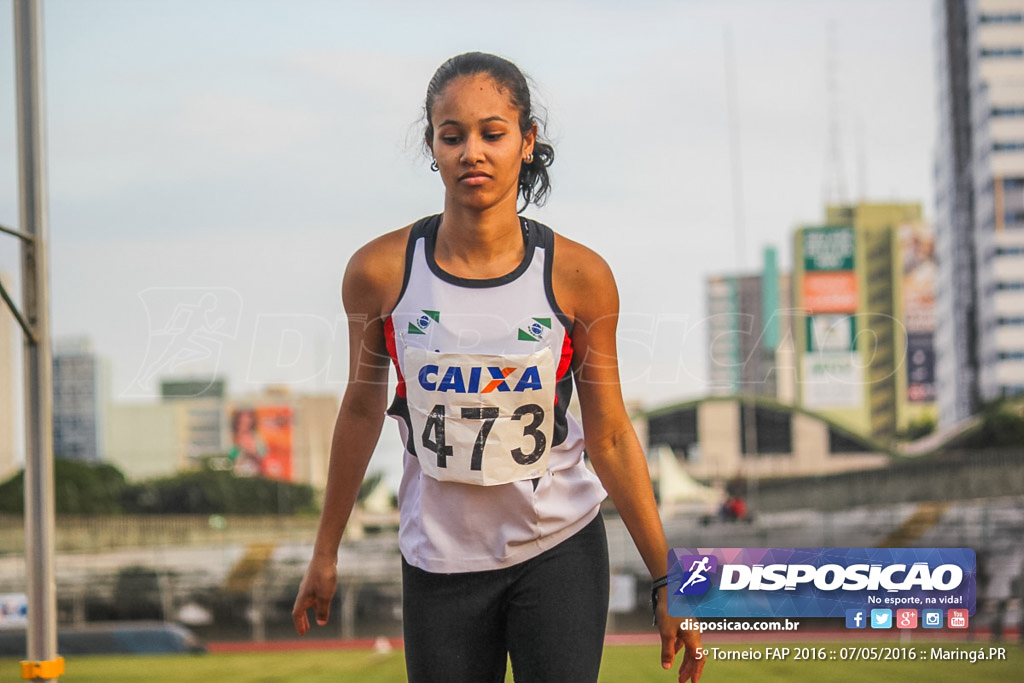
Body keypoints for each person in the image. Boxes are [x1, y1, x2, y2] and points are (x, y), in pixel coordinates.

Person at [292, 51, 704, 683]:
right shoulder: (379, 274)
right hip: (439, 564)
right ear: (432, 146)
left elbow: (612, 434)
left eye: (492, 133)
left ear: (527, 141)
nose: (471, 153)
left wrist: (666, 578)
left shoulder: (578, 278)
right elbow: (360, 408)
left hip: (558, 550)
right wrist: (326, 550)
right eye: (451, 136)